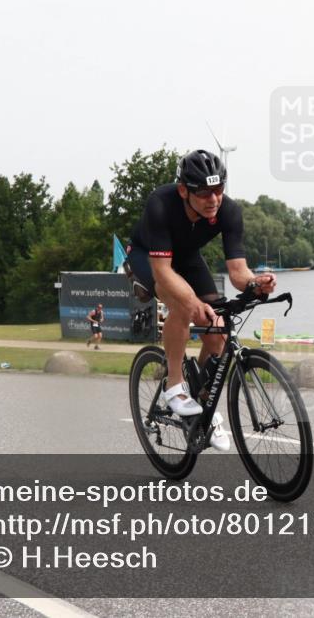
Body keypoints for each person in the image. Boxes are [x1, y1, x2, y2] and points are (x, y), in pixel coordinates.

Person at [126, 150, 277, 452]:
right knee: (184, 305)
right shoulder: (160, 204)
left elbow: (236, 271)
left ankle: (202, 404)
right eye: (204, 192)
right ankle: (174, 385)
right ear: (184, 190)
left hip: (188, 258)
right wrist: (192, 302)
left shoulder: (229, 211)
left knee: (218, 332)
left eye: (219, 189)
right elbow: (163, 272)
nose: (213, 199)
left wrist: (253, 282)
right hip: (148, 257)